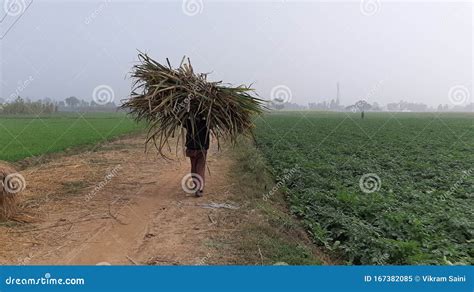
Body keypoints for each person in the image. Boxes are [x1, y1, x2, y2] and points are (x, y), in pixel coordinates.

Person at [184, 115, 210, 197]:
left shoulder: (188, 122)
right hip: (202, 149)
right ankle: (199, 189)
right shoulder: (207, 122)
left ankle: (196, 186)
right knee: (200, 168)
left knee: (194, 167)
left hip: (191, 148)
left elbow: (180, 122)